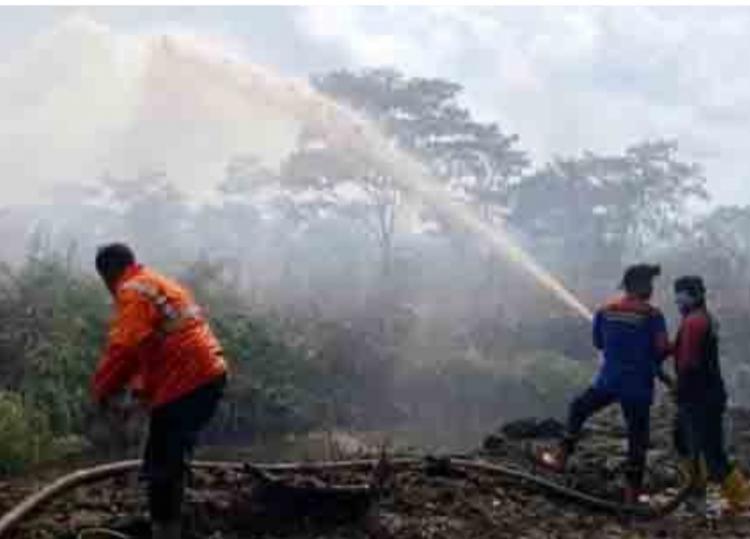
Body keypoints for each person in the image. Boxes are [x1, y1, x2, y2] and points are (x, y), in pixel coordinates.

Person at [91, 243, 228, 539]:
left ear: (107, 274)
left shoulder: (132, 292)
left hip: (188, 380)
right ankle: (170, 525)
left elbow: (123, 350)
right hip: (206, 375)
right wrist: (142, 392)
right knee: (169, 459)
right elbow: (152, 348)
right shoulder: (155, 283)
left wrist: (102, 390)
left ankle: (165, 531)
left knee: (162, 467)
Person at [541, 264, 669, 504]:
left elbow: (599, 343)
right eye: (650, 284)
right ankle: (632, 494)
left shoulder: (605, 311)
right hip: (638, 387)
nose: (652, 289)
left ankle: (560, 457)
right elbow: (661, 349)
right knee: (637, 437)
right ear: (643, 287)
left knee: (578, 408)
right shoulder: (653, 316)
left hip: (608, 381)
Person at [669, 275, 750, 515]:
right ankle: (697, 494)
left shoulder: (695, 321)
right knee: (685, 442)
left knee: (709, 452)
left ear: (691, 294)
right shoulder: (699, 319)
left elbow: (690, 362)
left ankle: (741, 501)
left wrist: (680, 387)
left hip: (701, 398)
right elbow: (680, 349)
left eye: (679, 293)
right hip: (704, 395)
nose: (677, 299)